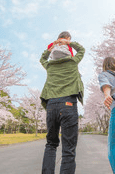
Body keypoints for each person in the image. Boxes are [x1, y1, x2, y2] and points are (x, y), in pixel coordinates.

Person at [40, 31, 85, 174]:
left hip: (52, 105)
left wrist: (51, 46)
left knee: (51, 144)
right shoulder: (73, 62)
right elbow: (82, 50)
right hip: (69, 104)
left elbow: (42, 59)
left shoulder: (50, 66)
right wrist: (69, 42)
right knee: (69, 149)